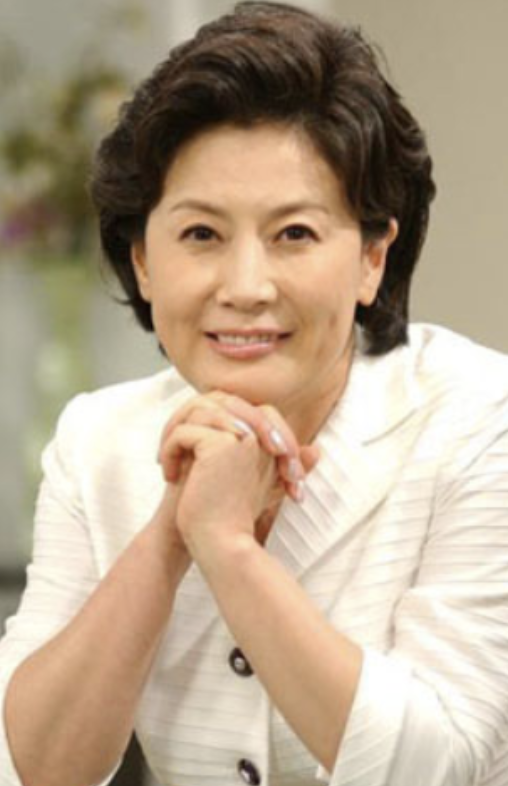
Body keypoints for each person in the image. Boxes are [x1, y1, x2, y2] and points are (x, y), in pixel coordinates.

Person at [1, 2, 508, 785]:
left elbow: (440, 765)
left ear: (372, 257)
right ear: (143, 261)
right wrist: (170, 532)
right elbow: (36, 767)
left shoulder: (478, 418)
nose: (245, 287)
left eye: (294, 234)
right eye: (201, 234)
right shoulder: (97, 441)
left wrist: (229, 548)